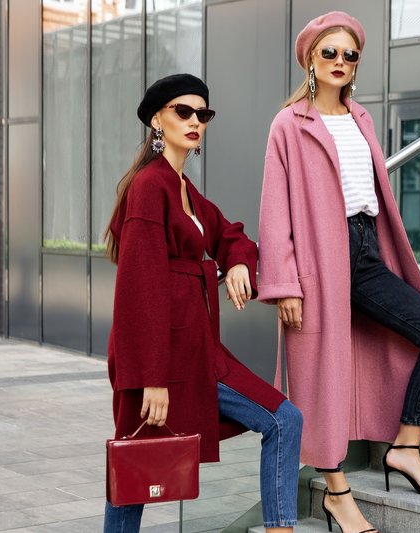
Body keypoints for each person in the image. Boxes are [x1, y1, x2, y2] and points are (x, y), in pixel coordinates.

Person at [258, 12, 420, 533]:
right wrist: (283, 283)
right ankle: (337, 493)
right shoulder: (290, 124)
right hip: (319, 262)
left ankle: (405, 448)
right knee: (319, 376)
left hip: (365, 251)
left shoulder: (363, 119)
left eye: (350, 55)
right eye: (330, 53)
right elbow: (275, 209)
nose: (340, 63)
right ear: (310, 59)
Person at [103, 73, 302, 533]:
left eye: (203, 114)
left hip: (198, 354)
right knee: (138, 464)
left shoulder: (183, 188)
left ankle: (280, 528)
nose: (195, 121)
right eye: (183, 111)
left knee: (283, 419)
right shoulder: (150, 188)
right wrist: (151, 379)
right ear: (157, 119)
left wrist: (236, 264)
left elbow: (229, 233)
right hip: (161, 361)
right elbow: (141, 289)